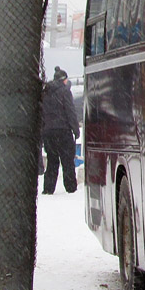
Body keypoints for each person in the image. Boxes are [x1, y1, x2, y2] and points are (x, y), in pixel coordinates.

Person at [41, 67, 80, 195]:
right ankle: (71, 188)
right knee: (67, 161)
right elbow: (70, 111)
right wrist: (75, 129)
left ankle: (48, 189)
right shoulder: (65, 92)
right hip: (63, 132)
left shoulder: (45, 92)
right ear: (63, 80)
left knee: (52, 161)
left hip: (48, 132)